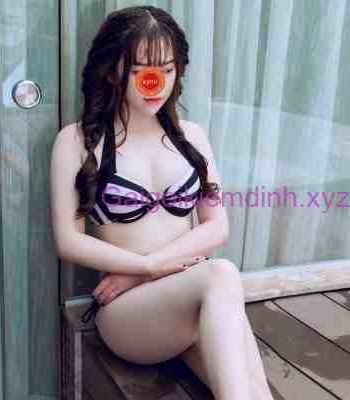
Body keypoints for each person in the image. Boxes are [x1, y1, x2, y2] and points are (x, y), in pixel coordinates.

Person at [50, 5, 273, 400]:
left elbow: (217, 225)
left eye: (167, 70)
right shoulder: (77, 141)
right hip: (127, 314)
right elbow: (68, 241)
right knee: (221, 275)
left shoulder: (193, 137)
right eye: (139, 71)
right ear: (112, 70)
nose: (155, 83)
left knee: (251, 389)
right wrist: (146, 268)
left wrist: (148, 270)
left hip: (186, 298)